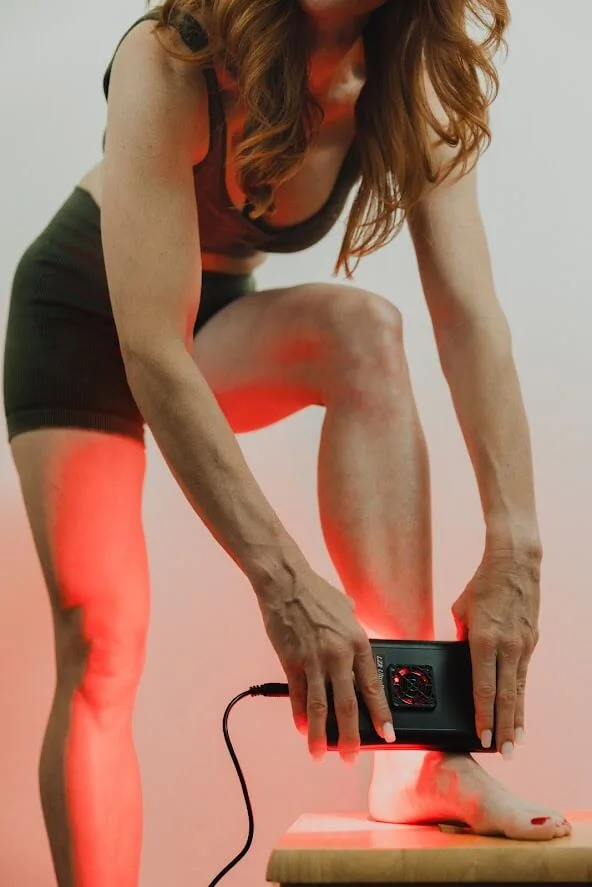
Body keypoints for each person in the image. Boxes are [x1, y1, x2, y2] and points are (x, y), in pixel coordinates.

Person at [3, 0, 571, 884]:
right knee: (101, 640)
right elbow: (149, 348)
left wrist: (518, 546)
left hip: (209, 316)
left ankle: (419, 756)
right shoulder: (174, 56)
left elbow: (467, 312)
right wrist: (286, 582)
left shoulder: (406, 69)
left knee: (363, 332)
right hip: (80, 319)